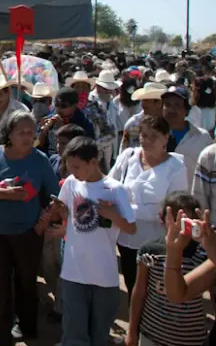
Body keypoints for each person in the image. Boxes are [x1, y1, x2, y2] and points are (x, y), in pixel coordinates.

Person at [0, 110, 60, 346]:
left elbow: (53, 196)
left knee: (26, 282)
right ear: (8, 133)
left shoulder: (39, 159)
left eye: (31, 132)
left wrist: (43, 221)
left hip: (28, 232)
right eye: (21, 132)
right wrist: (5, 193)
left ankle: (27, 328)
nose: (27, 137)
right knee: (0, 282)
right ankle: (2, 331)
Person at [57, 137, 136, 346]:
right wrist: (58, 213)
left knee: (99, 332)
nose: (72, 171)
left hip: (103, 273)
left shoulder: (115, 189)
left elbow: (131, 227)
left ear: (93, 162)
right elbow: (64, 212)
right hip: (73, 271)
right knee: (74, 331)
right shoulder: (72, 183)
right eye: (69, 166)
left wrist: (112, 215)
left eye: (77, 166)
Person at [109, 115, 189, 299]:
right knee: (132, 286)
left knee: (153, 293)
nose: (147, 140)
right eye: (144, 135)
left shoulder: (176, 167)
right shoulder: (128, 156)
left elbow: (170, 210)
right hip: (125, 239)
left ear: (166, 138)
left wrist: (126, 208)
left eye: (154, 136)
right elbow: (110, 187)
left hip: (155, 245)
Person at [128, 193, 208, 346]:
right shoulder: (150, 250)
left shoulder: (202, 254)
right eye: (174, 220)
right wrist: (132, 331)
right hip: (151, 335)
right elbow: (139, 291)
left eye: (185, 222)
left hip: (190, 338)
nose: (179, 227)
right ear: (161, 218)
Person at [162, 85, 212, 185]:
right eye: (167, 104)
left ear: (187, 110)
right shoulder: (153, 135)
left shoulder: (202, 137)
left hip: (192, 198)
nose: (171, 109)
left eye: (177, 105)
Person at [37, 87, 96, 157]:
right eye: (56, 104)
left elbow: (84, 152)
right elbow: (38, 146)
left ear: (75, 105)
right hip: (50, 163)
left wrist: (63, 129)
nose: (59, 109)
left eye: (63, 105)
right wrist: (43, 132)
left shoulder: (84, 124)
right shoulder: (50, 118)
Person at [121, 82, 167, 151]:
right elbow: (123, 151)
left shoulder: (169, 124)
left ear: (159, 103)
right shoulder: (133, 123)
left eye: (146, 100)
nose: (143, 104)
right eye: (142, 100)